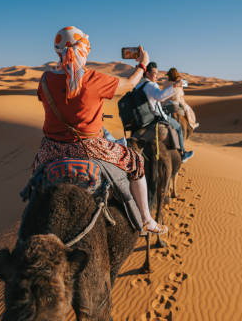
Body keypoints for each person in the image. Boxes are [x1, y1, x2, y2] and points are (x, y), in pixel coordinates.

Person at [32, 26, 167, 234]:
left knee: (35, 178)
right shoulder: (93, 80)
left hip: (51, 149)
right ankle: (147, 219)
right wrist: (142, 64)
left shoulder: (45, 80)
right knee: (136, 162)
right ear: (82, 49)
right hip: (89, 147)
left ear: (57, 51)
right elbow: (130, 83)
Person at [141, 62, 194, 163]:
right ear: (147, 74)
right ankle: (182, 152)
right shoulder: (152, 85)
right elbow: (161, 96)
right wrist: (176, 85)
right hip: (165, 110)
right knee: (180, 126)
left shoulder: (142, 84)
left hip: (153, 112)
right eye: (155, 73)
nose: (157, 76)